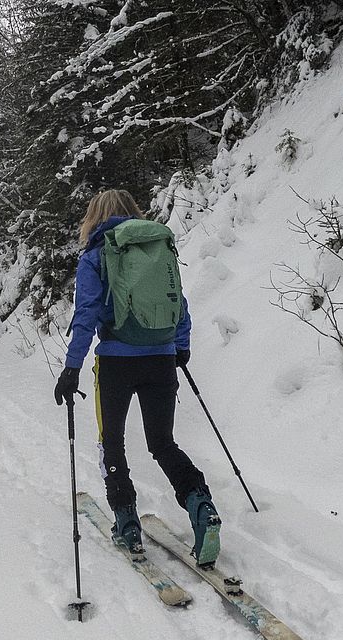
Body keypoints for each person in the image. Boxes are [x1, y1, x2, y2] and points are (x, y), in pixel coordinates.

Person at [53, 189, 221, 568]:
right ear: (133, 212)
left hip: (115, 363)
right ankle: (201, 505)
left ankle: (127, 522)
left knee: (111, 442)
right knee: (163, 444)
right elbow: (178, 301)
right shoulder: (158, 247)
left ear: (95, 217)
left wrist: (71, 367)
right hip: (160, 358)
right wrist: (180, 346)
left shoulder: (96, 254)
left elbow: (87, 314)